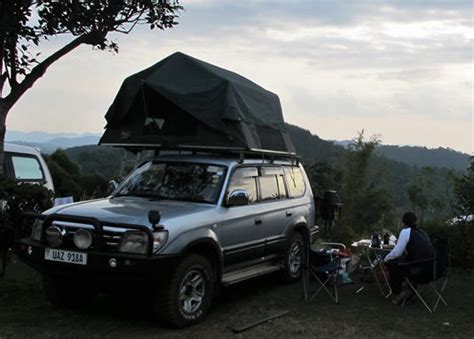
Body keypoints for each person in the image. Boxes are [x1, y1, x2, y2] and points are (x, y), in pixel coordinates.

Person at [383, 212, 434, 304]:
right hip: (431, 268)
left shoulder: (406, 232)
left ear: (404, 222)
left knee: (391, 263)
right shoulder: (422, 232)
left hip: (417, 270)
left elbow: (397, 252)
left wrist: (386, 259)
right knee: (402, 261)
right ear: (415, 221)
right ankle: (410, 289)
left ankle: (399, 292)